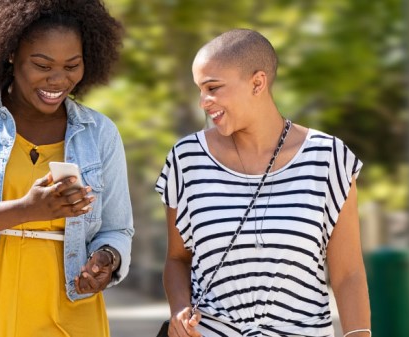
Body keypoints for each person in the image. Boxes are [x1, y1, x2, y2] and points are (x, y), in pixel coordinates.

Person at [0, 1, 132, 336]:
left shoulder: (100, 133)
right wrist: (25, 209)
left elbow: (118, 229)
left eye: (72, 65)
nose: (58, 80)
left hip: (71, 312)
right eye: (42, 65)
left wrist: (107, 259)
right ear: (11, 52)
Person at [156, 29, 371, 337]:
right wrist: (179, 310)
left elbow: (348, 273)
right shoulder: (186, 159)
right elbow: (177, 258)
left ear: (257, 82)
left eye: (213, 88)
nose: (204, 102)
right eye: (200, 90)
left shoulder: (329, 158)